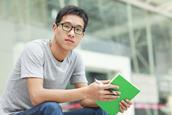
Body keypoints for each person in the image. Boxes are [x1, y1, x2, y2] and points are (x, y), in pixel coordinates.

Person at [1, 5, 132, 115]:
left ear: (82, 35)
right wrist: (87, 91)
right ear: (54, 28)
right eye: (66, 26)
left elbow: (84, 100)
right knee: (51, 107)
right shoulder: (35, 49)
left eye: (78, 29)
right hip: (16, 113)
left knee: (101, 111)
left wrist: (109, 100)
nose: (71, 33)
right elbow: (37, 97)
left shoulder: (76, 59)